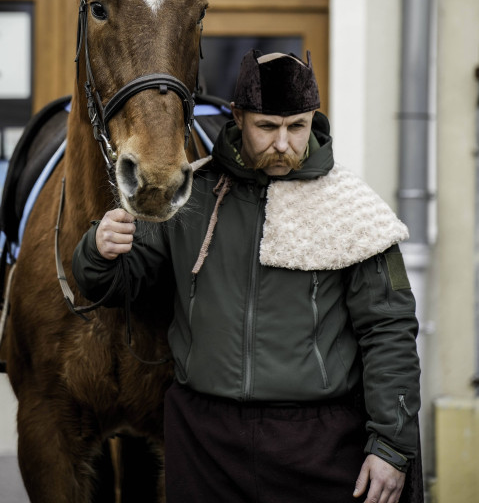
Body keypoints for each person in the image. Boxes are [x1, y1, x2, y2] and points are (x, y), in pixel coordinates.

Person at [73, 49, 422, 503]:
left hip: (318, 443)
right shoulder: (190, 196)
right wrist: (100, 252)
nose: (283, 143)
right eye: (267, 127)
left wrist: (391, 446)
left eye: (296, 126)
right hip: (205, 443)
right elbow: (119, 287)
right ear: (238, 117)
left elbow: (390, 331)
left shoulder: (355, 209)